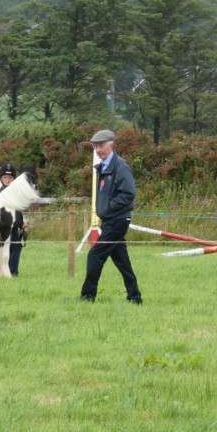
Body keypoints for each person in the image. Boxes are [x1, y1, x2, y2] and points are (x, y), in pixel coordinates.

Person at [80, 129, 142, 304]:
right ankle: (135, 296)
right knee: (122, 261)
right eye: (95, 147)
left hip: (118, 220)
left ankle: (87, 296)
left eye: (101, 146)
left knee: (94, 255)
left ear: (111, 145)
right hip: (110, 220)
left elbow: (128, 193)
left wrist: (107, 209)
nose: (98, 150)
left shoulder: (120, 166)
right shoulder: (103, 167)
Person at [0, 163, 29, 277]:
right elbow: (9, 213)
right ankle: (11, 271)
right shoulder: (3, 193)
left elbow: (17, 211)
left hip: (14, 227)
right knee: (11, 249)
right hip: (6, 227)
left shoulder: (14, 192)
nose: (7, 180)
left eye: (10, 177)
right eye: (5, 177)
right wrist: (20, 223)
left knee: (15, 248)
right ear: (1, 178)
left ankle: (12, 271)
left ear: (14, 179)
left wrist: (20, 223)